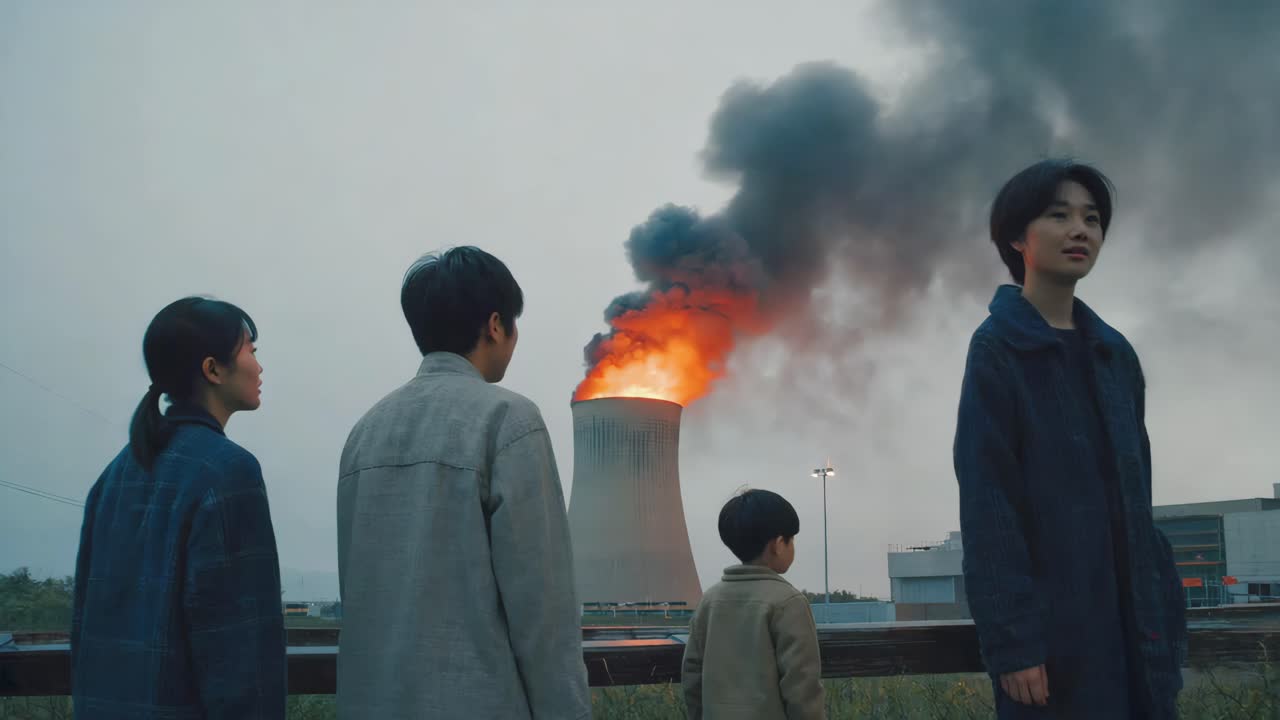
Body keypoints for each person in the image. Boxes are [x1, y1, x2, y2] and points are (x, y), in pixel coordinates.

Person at [954, 159, 1187, 718]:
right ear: (1017, 237)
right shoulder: (997, 350)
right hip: (1054, 647)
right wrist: (1014, 644)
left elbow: (1139, 499)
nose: (1080, 230)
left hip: (1139, 638)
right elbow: (989, 507)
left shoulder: (1115, 354)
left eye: (1092, 218)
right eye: (1059, 215)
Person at [335, 246, 590, 719]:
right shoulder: (508, 420)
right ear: (495, 325)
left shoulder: (364, 433)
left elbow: (358, 592)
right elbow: (543, 612)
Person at [72, 297, 285, 719]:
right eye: (251, 351)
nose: (259, 367)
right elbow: (242, 650)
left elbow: (84, 623)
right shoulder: (229, 471)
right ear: (213, 369)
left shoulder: (115, 474)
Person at [681, 488, 825, 720]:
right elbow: (802, 688)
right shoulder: (788, 602)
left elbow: (692, 674)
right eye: (792, 540)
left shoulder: (710, 600)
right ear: (778, 544)